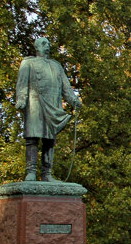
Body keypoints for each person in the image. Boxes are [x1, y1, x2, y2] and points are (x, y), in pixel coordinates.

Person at [15, 37, 81, 182]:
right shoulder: (28, 63)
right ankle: (31, 171)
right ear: (36, 46)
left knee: (49, 140)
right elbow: (22, 84)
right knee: (32, 138)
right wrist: (21, 99)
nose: (47, 46)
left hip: (53, 106)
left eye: (49, 44)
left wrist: (74, 100)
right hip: (35, 104)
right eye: (44, 44)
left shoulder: (56, 66)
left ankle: (46, 173)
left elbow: (66, 88)